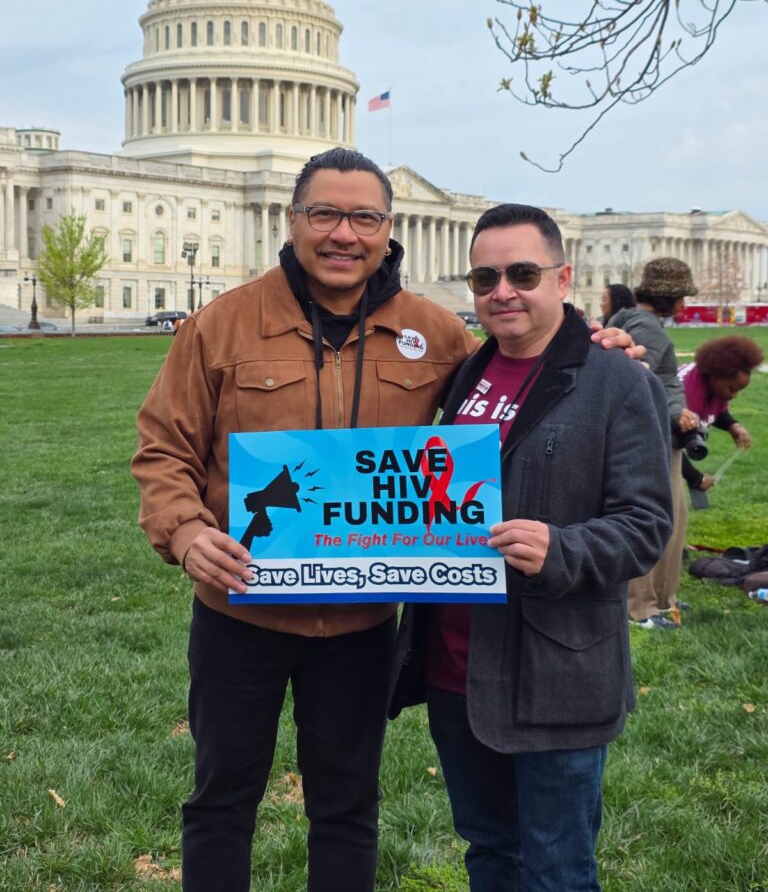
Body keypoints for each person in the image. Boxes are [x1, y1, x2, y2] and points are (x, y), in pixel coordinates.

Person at [131, 150, 640, 892]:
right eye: (325, 215)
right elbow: (162, 446)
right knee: (222, 798)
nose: (345, 234)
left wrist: (590, 351)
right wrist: (184, 532)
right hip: (240, 611)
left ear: (388, 229)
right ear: (294, 221)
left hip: (361, 622)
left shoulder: (434, 333)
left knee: (346, 805)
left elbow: (518, 378)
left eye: (364, 217)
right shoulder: (222, 324)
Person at [389, 204, 673, 892]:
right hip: (456, 664)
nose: (502, 292)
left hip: (554, 673)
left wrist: (562, 549)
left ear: (563, 276)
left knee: (556, 868)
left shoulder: (616, 380)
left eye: (522, 273)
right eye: (485, 278)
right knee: (489, 851)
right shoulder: (468, 373)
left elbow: (646, 524)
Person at [609, 257, 699, 630]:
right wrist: (677, 412)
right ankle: (641, 607)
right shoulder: (650, 331)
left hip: (657, 434)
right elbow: (636, 384)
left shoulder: (629, 319)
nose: (685, 306)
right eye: (682, 298)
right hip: (650, 439)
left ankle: (663, 597)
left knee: (673, 518)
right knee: (657, 520)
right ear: (670, 297)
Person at [678, 336, 763, 492]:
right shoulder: (684, 396)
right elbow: (665, 447)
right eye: (732, 389)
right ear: (716, 376)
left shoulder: (710, 385)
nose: (734, 395)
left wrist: (732, 425)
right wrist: (696, 478)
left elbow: (717, 411)